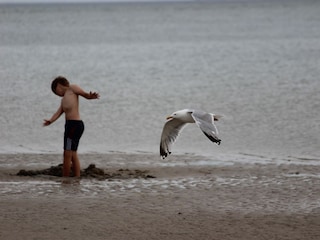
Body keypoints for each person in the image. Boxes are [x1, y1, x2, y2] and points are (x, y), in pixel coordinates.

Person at [43, 76, 99, 177]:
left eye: (56, 92)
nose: (57, 95)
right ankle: (77, 176)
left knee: (67, 153)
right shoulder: (63, 99)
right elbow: (59, 112)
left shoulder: (72, 88)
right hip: (69, 126)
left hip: (75, 125)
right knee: (72, 153)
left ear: (58, 86)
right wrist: (50, 121)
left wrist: (90, 96)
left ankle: (65, 177)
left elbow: (84, 94)